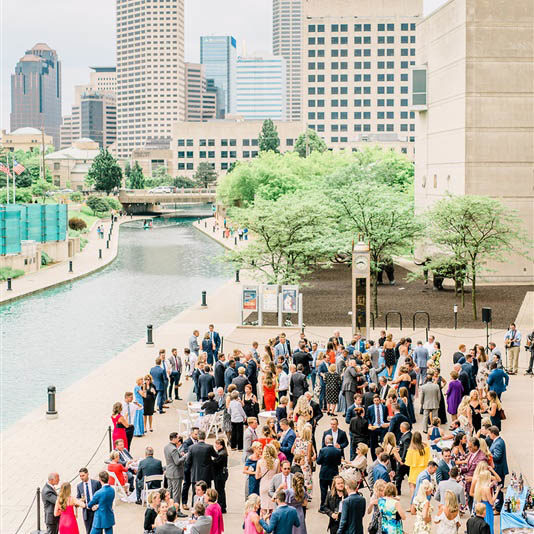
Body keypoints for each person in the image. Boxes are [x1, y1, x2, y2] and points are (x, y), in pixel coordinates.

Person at [317, 435, 343, 512]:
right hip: (334, 473)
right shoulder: (338, 451)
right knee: (333, 490)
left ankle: (323, 507)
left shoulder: (322, 450)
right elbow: (339, 463)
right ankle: (334, 506)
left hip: (324, 473)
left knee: (323, 491)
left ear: (325, 442)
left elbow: (318, 462)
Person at [163, 432, 187, 517]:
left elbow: (172, 458)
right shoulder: (173, 449)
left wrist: (180, 455)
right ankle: (177, 510)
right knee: (176, 493)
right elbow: (177, 462)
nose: (178, 439)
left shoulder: (166, 447)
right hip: (176, 473)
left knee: (170, 492)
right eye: (177, 438)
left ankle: (170, 508)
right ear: (173, 439)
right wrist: (184, 457)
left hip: (169, 472)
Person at [404, 432, 431, 497]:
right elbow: (429, 458)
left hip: (414, 471)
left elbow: (408, 463)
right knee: (423, 487)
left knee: (412, 486)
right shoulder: (426, 447)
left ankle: (413, 502)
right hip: (423, 470)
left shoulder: (411, 449)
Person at [256, 443, 280, 513]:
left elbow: (257, 476)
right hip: (272, 485)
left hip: (263, 484)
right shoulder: (277, 461)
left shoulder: (260, 462)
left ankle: (264, 521)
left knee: (263, 507)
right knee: (273, 507)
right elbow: (277, 475)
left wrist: (262, 474)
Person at [76, 468, 101, 534]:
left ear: (87, 474)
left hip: (96, 510)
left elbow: (101, 497)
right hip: (86, 512)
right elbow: (77, 498)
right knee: (89, 531)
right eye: (80, 476)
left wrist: (97, 505)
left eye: (83, 475)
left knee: (99, 530)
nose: (81, 477)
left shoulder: (96, 483)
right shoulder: (79, 486)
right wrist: (80, 500)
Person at [488, 427, 507, 512]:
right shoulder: (498, 441)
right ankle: (497, 505)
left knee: (498, 489)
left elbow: (497, 457)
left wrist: (489, 454)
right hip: (498, 469)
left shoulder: (498, 443)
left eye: (489, 433)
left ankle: (498, 508)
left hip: (498, 470)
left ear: (493, 433)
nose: (488, 435)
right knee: (497, 488)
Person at [291, 424, 314, 494]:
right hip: (305, 463)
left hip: (296, 460)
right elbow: (309, 456)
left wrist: (297, 454)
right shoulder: (309, 443)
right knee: (307, 480)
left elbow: (291, 450)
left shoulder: (297, 440)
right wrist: (310, 466)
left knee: (296, 477)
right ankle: (308, 494)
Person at [367, 395, 389, 461]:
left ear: (380, 400)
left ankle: (383, 457)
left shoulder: (384, 407)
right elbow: (367, 417)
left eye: (377, 400)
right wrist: (369, 423)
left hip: (382, 427)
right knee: (373, 444)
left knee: (383, 443)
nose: (376, 402)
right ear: (373, 401)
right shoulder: (370, 408)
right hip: (374, 427)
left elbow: (386, 416)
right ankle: (374, 459)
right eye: (375, 400)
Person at [212, 438, 228, 514]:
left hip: (220, 474)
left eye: (217, 444)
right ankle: (222, 506)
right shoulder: (222, 452)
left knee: (219, 490)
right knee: (221, 490)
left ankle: (221, 506)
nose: (216, 446)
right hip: (222, 473)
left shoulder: (221, 454)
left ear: (221, 445)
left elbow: (215, 463)